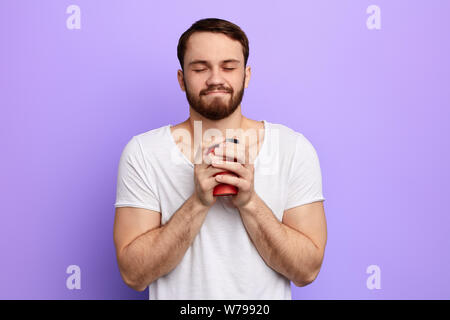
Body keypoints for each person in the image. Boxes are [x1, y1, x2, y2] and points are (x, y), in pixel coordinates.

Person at [113, 18, 327, 300]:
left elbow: (307, 271)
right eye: (200, 68)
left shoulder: (293, 149)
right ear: (181, 79)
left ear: (246, 76)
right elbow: (133, 275)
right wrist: (198, 202)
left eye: (228, 67)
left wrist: (249, 201)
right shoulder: (144, 153)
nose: (215, 78)